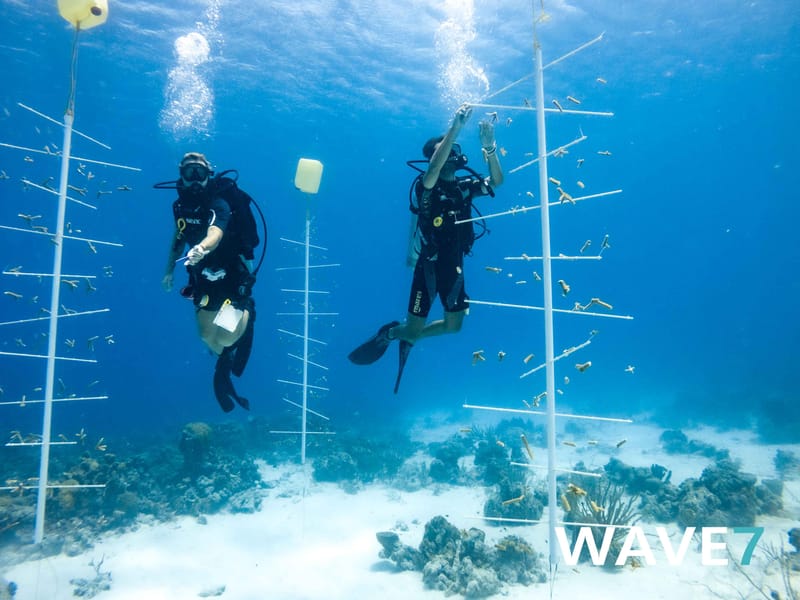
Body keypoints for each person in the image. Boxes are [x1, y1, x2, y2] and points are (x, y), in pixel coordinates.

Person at [348, 104, 504, 392]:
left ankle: (409, 334)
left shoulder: (464, 187)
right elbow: (433, 170)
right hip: (429, 266)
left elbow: (497, 181)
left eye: (454, 147)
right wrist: (454, 127)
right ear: (438, 155)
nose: (454, 152)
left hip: (455, 265)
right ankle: (392, 333)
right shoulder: (426, 186)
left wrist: (490, 148)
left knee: (453, 326)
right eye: (447, 148)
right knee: (413, 328)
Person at [160, 152, 262, 412]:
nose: (195, 180)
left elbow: (216, 231)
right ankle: (225, 356)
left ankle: (247, 309)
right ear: (181, 174)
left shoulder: (220, 201)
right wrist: (169, 269)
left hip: (231, 269)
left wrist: (202, 248)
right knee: (207, 335)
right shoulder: (180, 206)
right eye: (189, 173)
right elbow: (179, 235)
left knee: (226, 336)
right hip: (202, 269)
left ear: (209, 175)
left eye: (200, 173)